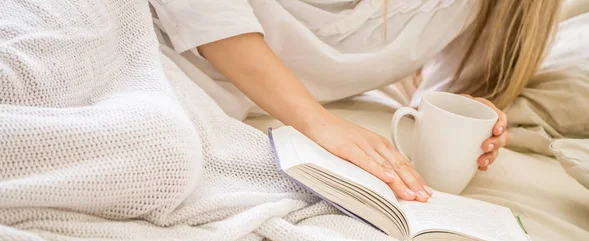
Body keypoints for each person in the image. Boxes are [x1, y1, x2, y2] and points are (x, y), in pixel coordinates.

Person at [149, 0, 561, 201]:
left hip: (201, 107)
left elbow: (444, 93)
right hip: (136, 43)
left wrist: (474, 118)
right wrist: (317, 121)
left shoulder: (492, 9)